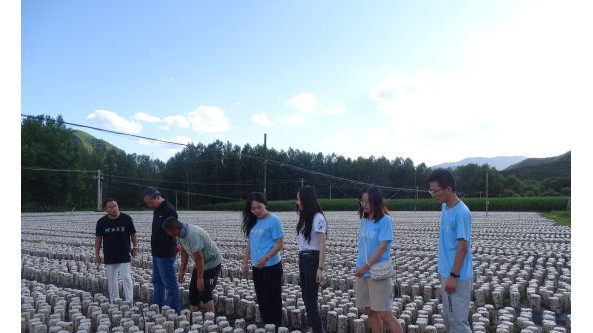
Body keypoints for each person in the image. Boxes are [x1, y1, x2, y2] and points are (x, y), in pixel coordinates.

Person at [353, 186, 404, 333]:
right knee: (370, 311)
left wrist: (366, 266)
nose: (364, 204)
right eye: (362, 201)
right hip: (362, 272)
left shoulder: (385, 221)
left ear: (376, 202)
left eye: (368, 201)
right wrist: (360, 266)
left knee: (385, 314)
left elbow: (382, 247)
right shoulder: (363, 220)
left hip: (377, 271)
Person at [428, 169, 473, 333]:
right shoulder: (445, 208)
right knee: (449, 318)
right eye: (431, 190)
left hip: (457, 276)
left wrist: (453, 276)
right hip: (446, 273)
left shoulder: (462, 212)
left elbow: (463, 248)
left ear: (448, 189)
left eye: (435, 190)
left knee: (458, 322)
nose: (433, 194)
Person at [240, 192, 284, 329]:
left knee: (273, 299)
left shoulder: (274, 220)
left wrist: (266, 258)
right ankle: (268, 325)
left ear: (265, 204)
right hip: (257, 266)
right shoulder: (253, 220)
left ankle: (275, 327)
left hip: (271, 266)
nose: (256, 211)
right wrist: (245, 261)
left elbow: (279, 244)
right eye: (253, 209)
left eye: (259, 207)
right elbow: (250, 242)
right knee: (262, 299)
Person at [162, 216, 223, 314]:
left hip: (212, 263)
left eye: (168, 231)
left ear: (175, 229)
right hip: (201, 263)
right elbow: (184, 252)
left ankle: (212, 318)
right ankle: (192, 316)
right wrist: (181, 271)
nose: (168, 234)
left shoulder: (193, 234)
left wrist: (200, 278)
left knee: (204, 292)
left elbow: (199, 258)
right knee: (193, 291)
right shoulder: (180, 235)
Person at [143, 186, 180, 313]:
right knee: (157, 281)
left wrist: (177, 244)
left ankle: (174, 311)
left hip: (165, 253)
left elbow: (175, 231)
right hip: (156, 252)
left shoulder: (168, 210)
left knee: (169, 283)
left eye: (150, 202)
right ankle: (157, 307)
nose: (149, 205)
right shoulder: (157, 209)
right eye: (147, 203)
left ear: (158, 197)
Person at [94, 198, 138, 304]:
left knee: (126, 278)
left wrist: (135, 248)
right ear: (106, 210)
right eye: (110, 207)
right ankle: (114, 301)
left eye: (115, 206)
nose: (114, 209)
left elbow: (133, 234)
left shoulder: (126, 218)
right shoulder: (101, 222)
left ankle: (129, 301)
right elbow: (98, 239)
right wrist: (97, 254)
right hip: (110, 255)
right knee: (112, 281)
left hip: (124, 253)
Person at [295, 185, 327, 333]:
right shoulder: (304, 217)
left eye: (299, 199)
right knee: (306, 297)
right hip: (303, 258)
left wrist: (320, 268)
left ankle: (318, 330)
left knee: (310, 301)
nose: (297, 202)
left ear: (306, 200)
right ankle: (315, 328)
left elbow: (322, 245)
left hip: (312, 260)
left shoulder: (318, 218)